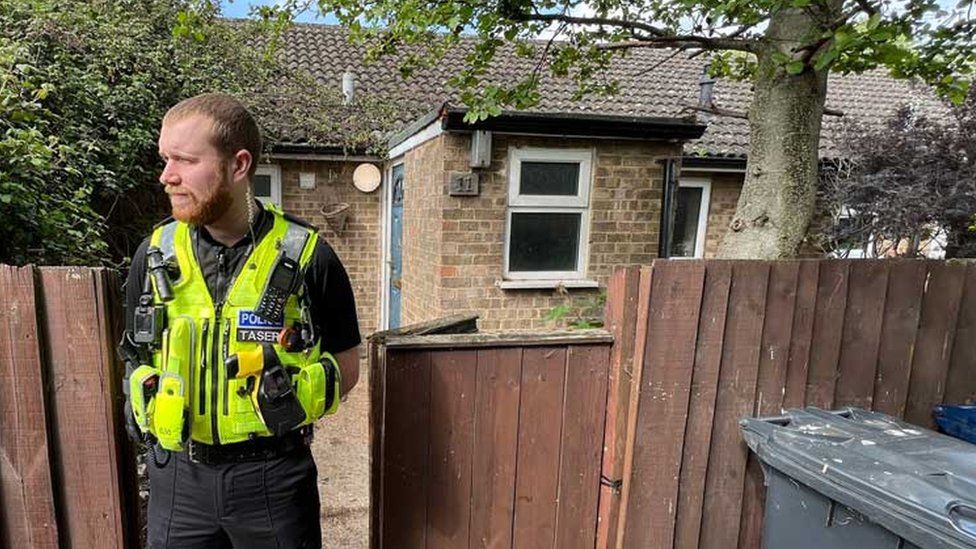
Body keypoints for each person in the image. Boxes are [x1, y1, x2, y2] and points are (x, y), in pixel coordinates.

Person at [118, 93, 361, 549]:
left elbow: (347, 365)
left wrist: (294, 394)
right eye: (165, 159)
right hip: (176, 480)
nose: (167, 176)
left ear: (239, 164)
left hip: (273, 480)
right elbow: (134, 352)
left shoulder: (308, 256)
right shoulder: (153, 255)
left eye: (185, 160)